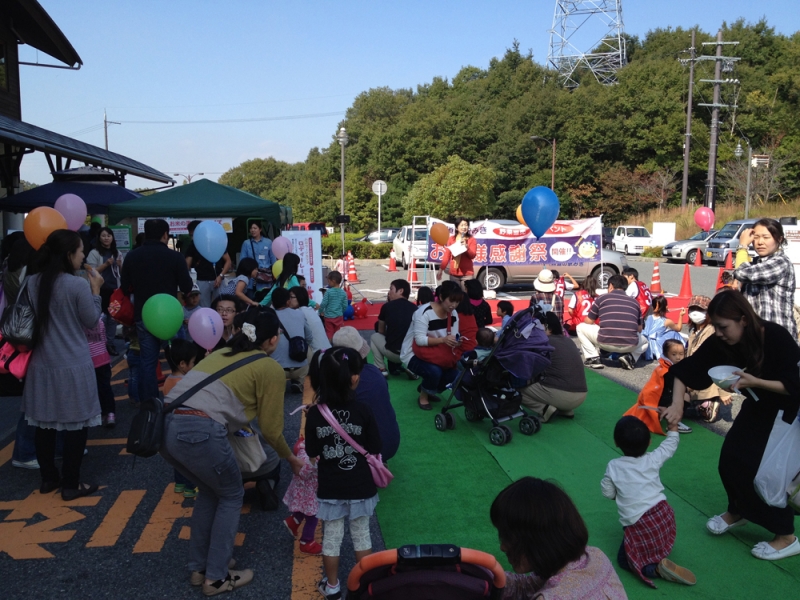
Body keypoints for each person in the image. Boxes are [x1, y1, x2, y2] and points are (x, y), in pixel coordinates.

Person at [160, 309, 304, 594]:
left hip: (166, 429)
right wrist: (291, 459)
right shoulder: (269, 368)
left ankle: (199, 568)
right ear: (273, 340)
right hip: (200, 430)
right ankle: (216, 577)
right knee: (231, 494)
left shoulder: (220, 354)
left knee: (211, 492)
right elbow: (272, 430)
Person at [663, 290, 800, 561]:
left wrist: (755, 382)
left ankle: (786, 535)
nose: (720, 333)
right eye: (716, 327)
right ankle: (738, 511)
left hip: (785, 410)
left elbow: (794, 385)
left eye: (724, 327)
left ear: (743, 320)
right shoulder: (721, 342)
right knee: (730, 459)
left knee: (765, 472)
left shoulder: (774, 336)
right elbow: (686, 369)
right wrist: (677, 404)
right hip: (757, 405)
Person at [21, 230, 104, 501]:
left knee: (44, 423)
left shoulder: (32, 281)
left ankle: (49, 478)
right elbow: (92, 321)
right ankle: (71, 483)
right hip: (73, 363)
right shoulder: (76, 285)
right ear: (69, 254)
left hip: (40, 364)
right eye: (80, 252)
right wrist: (96, 291)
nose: (83, 257)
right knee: (76, 425)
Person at [305, 347, 382, 600]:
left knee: (332, 538)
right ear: (355, 378)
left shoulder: (315, 414)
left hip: (331, 487)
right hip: (360, 484)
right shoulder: (364, 410)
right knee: (362, 536)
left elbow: (312, 450)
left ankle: (333, 587)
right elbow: (375, 447)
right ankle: (365, 585)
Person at [490, 477, 626, 600]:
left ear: (538, 542)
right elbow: (526, 586)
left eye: (508, 537)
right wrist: (486, 574)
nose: (503, 547)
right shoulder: (595, 556)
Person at [601, 416, 696, 588]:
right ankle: (657, 552)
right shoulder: (652, 459)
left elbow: (607, 492)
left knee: (624, 560)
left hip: (639, 522)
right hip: (663, 514)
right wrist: (673, 426)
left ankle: (655, 569)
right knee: (651, 535)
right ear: (650, 441)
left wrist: (619, 495)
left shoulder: (614, 466)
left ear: (616, 442)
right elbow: (669, 446)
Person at [120, 219, 193, 402]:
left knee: (148, 362)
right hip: (170, 316)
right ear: (165, 235)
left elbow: (124, 287)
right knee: (179, 358)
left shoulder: (132, 256)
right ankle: (183, 396)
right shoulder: (175, 257)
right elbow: (186, 286)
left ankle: (150, 406)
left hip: (144, 315)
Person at [331, 327, 401, 461]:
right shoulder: (375, 372)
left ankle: (366, 465)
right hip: (391, 441)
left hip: (368, 449)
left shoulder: (341, 383)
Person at [402, 281, 463, 410]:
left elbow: (454, 334)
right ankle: (424, 396)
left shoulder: (454, 313)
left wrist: (456, 341)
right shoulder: (423, 312)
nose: (454, 305)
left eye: (457, 302)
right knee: (434, 372)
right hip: (412, 353)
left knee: (455, 375)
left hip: (437, 354)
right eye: (451, 301)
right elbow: (419, 340)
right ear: (441, 297)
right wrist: (443, 340)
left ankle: (428, 388)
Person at [734, 218, 797, 338]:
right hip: (756, 335)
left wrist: (742, 246)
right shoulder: (756, 263)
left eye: (766, 237)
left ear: (779, 239)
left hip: (778, 337)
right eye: (756, 237)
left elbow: (742, 273)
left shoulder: (781, 262)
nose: (760, 242)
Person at [518, 313, 586, 423]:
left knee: (517, 389)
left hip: (563, 395)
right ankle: (565, 410)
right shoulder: (568, 341)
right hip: (581, 395)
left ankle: (544, 410)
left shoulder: (544, 343)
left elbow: (530, 368)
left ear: (548, 328)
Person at [576, 274, 647, 371]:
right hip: (630, 344)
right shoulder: (635, 303)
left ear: (610, 286)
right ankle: (630, 357)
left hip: (605, 341)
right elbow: (639, 328)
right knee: (645, 342)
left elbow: (589, 321)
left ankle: (593, 358)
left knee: (580, 327)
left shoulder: (602, 298)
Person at [623, 339, 693, 435]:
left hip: (659, 399)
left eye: (681, 354)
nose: (678, 357)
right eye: (674, 354)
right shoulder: (668, 371)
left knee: (684, 395)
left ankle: (670, 415)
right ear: (666, 354)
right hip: (659, 401)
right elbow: (664, 391)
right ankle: (673, 423)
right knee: (685, 396)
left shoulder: (664, 366)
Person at [162, 339, 200, 500]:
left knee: (179, 459)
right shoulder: (184, 383)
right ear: (183, 364)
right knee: (191, 460)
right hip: (187, 426)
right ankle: (191, 488)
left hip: (172, 426)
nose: (194, 365)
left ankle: (179, 484)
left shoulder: (168, 381)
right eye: (193, 362)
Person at [685, 295, 731, 423]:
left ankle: (708, 402)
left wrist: (723, 391)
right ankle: (700, 404)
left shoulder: (711, 331)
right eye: (692, 309)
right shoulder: (694, 331)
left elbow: (720, 360)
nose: (695, 313)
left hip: (707, 377)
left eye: (700, 309)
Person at [85, 226, 122, 355]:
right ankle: (99, 344)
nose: (106, 238)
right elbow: (91, 271)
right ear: (99, 238)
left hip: (114, 290)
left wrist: (119, 265)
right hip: (100, 290)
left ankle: (110, 343)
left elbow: (121, 273)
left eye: (109, 235)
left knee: (112, 318)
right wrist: (106, 264)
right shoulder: (94, 253)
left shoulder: (117, 252)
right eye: (103, 236)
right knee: (101, 318)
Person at [369, 279, 417, 377]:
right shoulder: (415, 308)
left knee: (375, 336)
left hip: (393, 352)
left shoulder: (387, 306)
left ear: (400, 291)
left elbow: (381, 331)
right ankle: (412, 368)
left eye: (391, 289)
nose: (389, 292)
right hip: (411, 354)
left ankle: (381, 368)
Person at [269, 286, 313, 393]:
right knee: (308, 348)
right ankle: (299, 381)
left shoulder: (269, 317)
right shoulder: (299, 314)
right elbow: (309, 337)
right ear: (288, 302)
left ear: (273, 303)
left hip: (278, 370)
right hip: (300, 368)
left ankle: (277, 382)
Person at [283, 437, 321, 555]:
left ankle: (293, 521)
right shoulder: (314, 459)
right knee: (313, 516)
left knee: (302, 507)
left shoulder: (303, 446)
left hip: (301, 489)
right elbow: (304, 473)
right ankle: (306, 542)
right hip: (310, 492)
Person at [185, 220, 232, 308]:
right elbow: (187, 265)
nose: (192, 237)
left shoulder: (215, 241)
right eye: (190, 235)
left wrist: (221, 275)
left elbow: (228, 261)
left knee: (221, 305)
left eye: (193, 234)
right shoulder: (192, 246)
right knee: (204, 307)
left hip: (218, 278)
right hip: (202, 280)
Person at [84, 316, 116, 428]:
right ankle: (111, 413)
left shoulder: (81, 324)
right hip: (104, 358)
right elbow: (104, 340)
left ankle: (101, 413)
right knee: (106, 387)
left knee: (95, 388)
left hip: (90, 361)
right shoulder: (100, 322)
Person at [436, 217, 477, 290]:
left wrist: (466, 247)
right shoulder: (451, 239)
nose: (464, 227)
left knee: (466, 297)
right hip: (454, 274)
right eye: (462, 225)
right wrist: (440, 270)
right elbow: (446, 256)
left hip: (467, 274)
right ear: (457, 227)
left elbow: (472, 256)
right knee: (454, 297)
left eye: (466, 225)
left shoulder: (471, 240)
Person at [239, 221, 275, 300]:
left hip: (265, 279)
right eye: (251, 228)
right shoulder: (246, 243)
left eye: (255, 228)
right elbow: (242, 261)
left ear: (260, 229)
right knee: (251, 300)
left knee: (264, 301)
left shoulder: (268, 242)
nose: (253, 230)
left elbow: (273, 260)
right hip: (251, 279)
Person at [288, 286, 331, 353]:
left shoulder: (298, 313)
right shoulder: (310, 310)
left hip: (316, 354)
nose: (288, 300)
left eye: (291, 297)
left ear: (300, 298)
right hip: (327, 350)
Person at [642, 296, 684, 361]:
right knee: (673, 333)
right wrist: (681, 315)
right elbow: (678, 328)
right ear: (665, 307)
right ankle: (681, 350)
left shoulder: (648, 317)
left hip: (645, 346)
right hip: (657, 347)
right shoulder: (666, 321)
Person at [318, 270, 348, 340]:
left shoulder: (328, 292)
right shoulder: (343, 293)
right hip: (339, 316)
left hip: (328, 317)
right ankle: (338, 345)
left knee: (329, 332)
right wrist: (341, 311)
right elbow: (345, 305)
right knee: (339, 332)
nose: (328, 283)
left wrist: (320, 311)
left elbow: (323, 303)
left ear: (333, 281)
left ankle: (330, 347)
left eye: (329, 281)